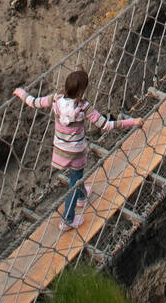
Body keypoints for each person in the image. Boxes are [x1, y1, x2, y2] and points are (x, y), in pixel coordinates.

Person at [14, 70, 143, 230]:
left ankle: (82, 197)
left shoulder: (55, 99)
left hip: (60, 150)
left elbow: (34, 102)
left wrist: (21, 93)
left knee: (76, 177)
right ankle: (68, 220)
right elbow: (105, 125)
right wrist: (132, 122)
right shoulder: (83, 107)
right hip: (76, 152)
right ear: (81, 91)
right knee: (75, 182)